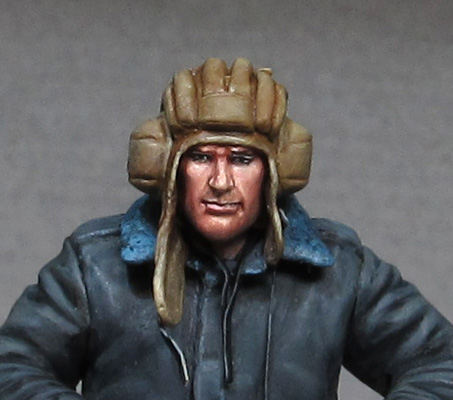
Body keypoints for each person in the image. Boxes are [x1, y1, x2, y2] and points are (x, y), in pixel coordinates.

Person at [0, 58, 452, 400]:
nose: (220, 182)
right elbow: (13, 368)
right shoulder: (97, 267)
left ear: (275, 172)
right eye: (201, 158)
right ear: (167, 167)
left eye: (241, 159)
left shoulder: (339, 272)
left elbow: (440, 366)